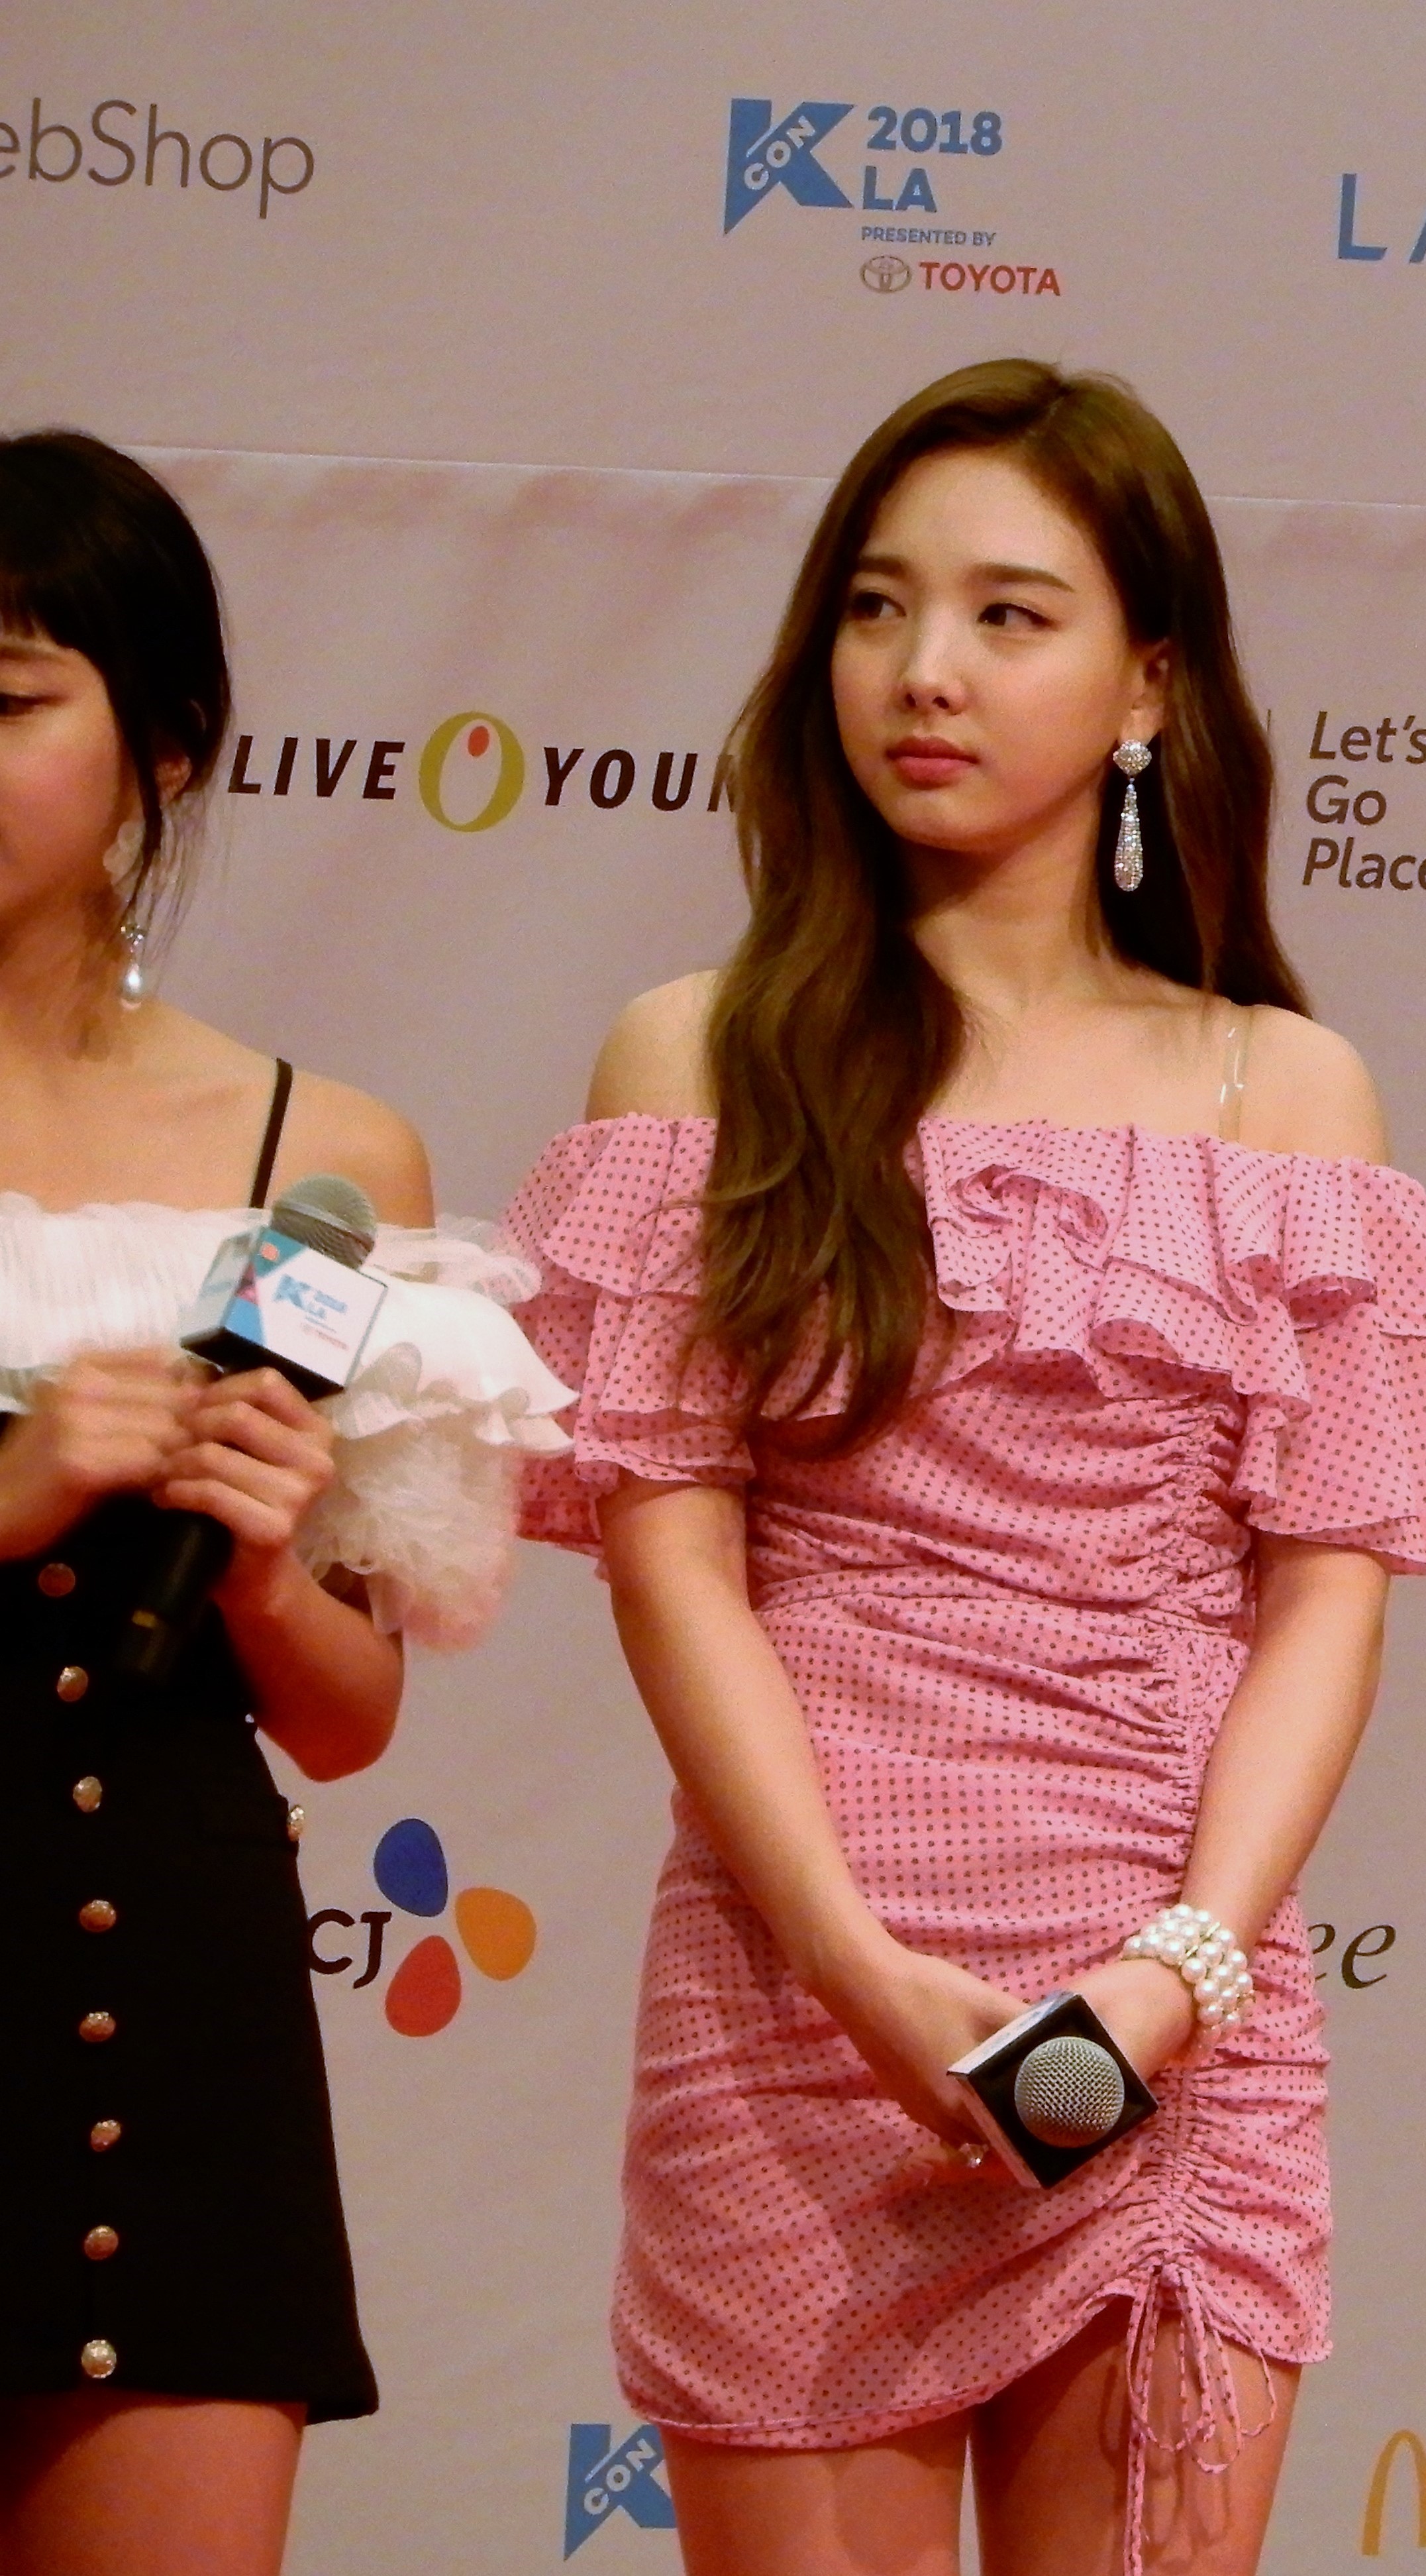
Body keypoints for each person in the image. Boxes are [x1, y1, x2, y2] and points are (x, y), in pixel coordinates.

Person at [503, 360, 1426, 2576]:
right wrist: (851, 1964)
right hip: (794, 2009)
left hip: (1168, 2019)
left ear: (1151, 684)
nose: (923, 671)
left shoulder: (1282, 1091)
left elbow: (1324, 1604)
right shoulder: (702, 1052)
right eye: (876, 607)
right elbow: (675, 1569)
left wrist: (1178, 1976)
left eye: (1007, 616)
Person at [0, 430, 568, 2575]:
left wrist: (257, 1564)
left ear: (164, 743)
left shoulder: (321, 1161)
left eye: (7, 700)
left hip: (159, 1987)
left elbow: (346, 1719)